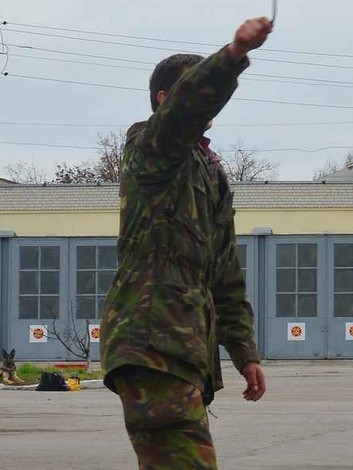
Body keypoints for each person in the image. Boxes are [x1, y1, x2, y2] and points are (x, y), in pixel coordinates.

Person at [99, 16, 273, 469]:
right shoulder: (150, 150)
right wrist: (233, 55)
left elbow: (224, 272)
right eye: (194, 90)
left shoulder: (210, 173)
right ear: (164, 99)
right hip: (151, 345)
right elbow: (185, 112)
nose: (208, 105)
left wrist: (244, 352)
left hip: (183, 351)